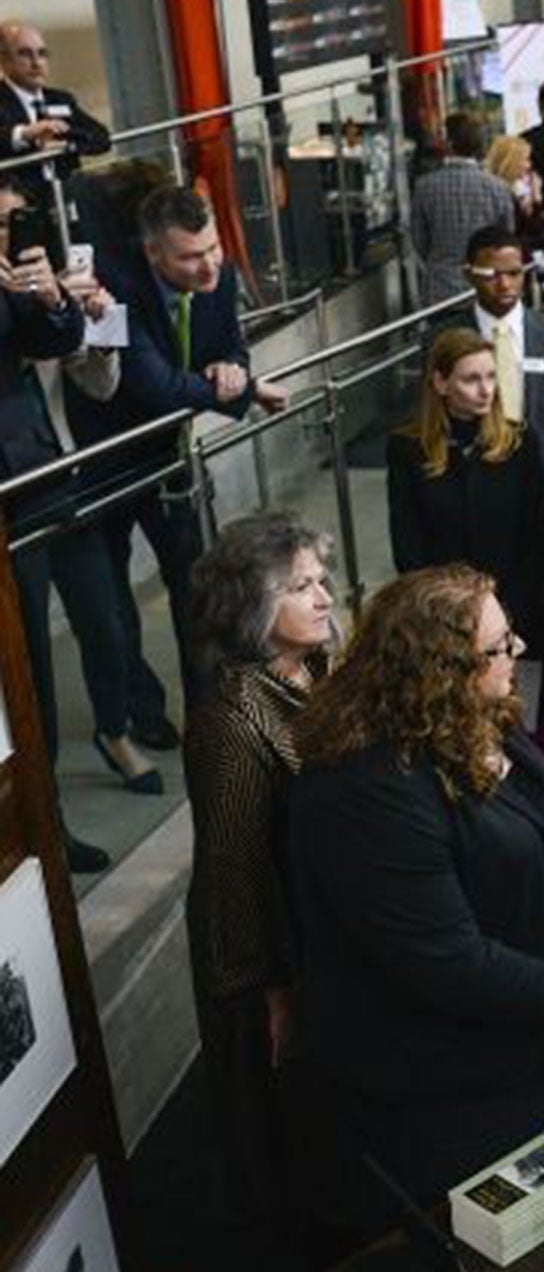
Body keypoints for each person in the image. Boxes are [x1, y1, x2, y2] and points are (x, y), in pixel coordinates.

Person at [287, 567, 544, 1236]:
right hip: (433, 1094)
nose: (519, 652)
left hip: (511, 1047)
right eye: (500, 646)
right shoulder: (367, 792)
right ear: (438, 668)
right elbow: (449, 962)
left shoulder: (472, 713)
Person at [67, 185, 286, 750]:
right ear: (153, 253)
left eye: (211, 247)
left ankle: (210, 719)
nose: (208, 262)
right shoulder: (115, 284)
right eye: (190, 256)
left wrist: (234, 370)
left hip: (172, 456)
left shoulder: (221, 273)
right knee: (114, 610)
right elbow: (154, 387)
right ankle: (139, 714)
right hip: (107, 459)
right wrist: (242, 392)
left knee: (198, 591)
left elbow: (230, 348)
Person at [183, 518, 337, 1221]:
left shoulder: (319, 670)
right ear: (251, 610)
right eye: (300, 586)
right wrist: (269, 993)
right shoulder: (230, 719)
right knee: (272, 1124)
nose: (324, 596)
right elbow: (234, 870)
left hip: (317, 931)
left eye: (321, 579)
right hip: (262, 957)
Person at [0, 194, 134, 865]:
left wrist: (58, 301)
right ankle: (43, 823)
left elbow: (63, 345)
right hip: (11, 500)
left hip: (50, 478)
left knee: (104, 619)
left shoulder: (16, 284)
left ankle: (117, 731)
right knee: (33, 680)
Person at [388, 329, 544, 755]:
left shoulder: (520, 442)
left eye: (491, 376)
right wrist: (449, 616)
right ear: (440, 382)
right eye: (471, 379)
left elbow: (539, 539)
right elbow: (409, 545)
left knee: (522, 728)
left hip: (518, 609)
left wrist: (505, 614)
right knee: (458, 731)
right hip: (445, 619)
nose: (486, 388)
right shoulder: (407, 449)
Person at [452, 227, 544, 533]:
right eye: (491, 274)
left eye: (514, 273)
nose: (505, 284)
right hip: (470, 501)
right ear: (469, 275)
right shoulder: (444, 340)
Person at [0, 23, 111, 209]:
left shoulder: (60, 98)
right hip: (20, 204)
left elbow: (101, 138)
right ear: (4, 60)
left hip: (67, 199)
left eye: (42, 54)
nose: (36, 63)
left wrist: (67, 144)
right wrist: (25, 134)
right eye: (25, 54)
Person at [410, 112, 516, 304]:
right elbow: (506, 237)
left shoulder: (424, 186)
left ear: (448, 143)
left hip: (440, 288)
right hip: (486, 282)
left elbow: (418, 241)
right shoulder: (498, 188)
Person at [483, 134, 544, 248]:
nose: (529, 165)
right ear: (512, 162)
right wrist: (536, 200)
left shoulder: (497, 189)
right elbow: (532, 231)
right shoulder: (505, 194)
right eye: (525, 160)